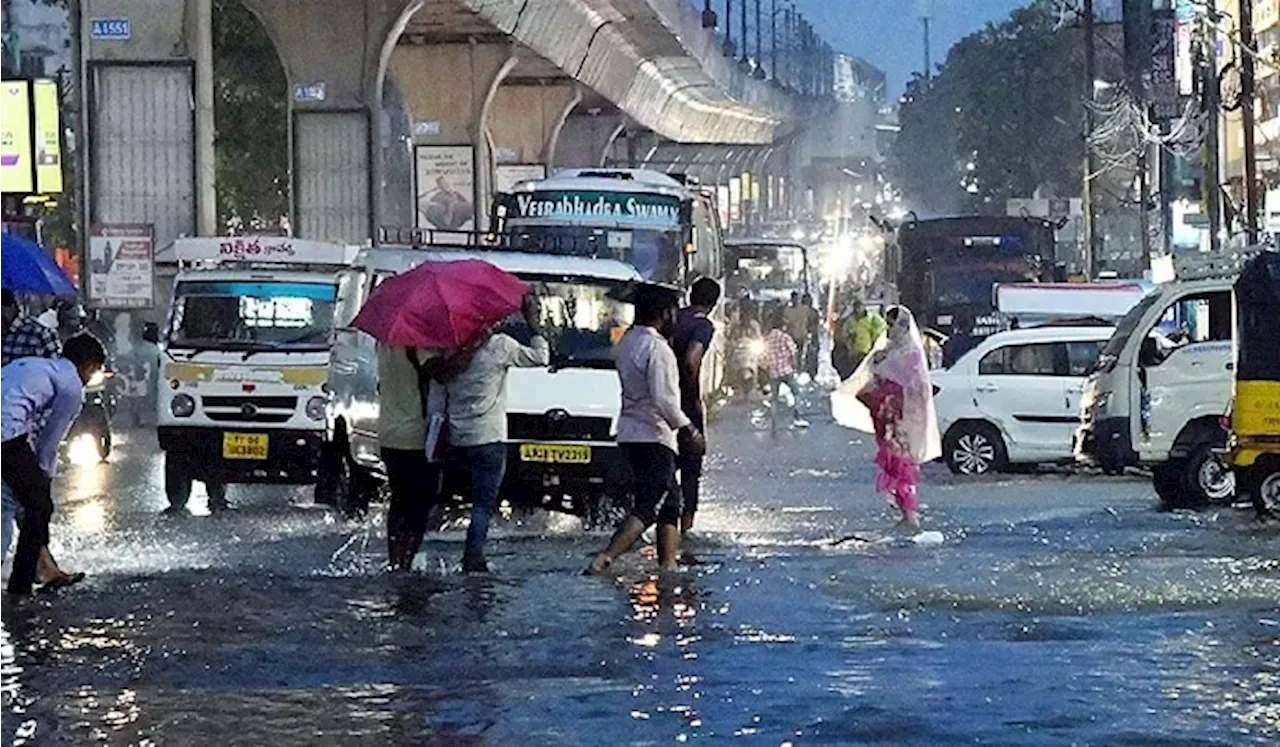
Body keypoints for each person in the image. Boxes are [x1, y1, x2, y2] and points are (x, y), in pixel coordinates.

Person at [587, 285, 705, 575]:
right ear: (665, 314)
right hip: (653, 436)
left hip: (630, 433)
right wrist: (688, 427)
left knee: (671, 502)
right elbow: (663, 398)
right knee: (650, 504)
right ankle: (606, 558)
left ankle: (668, 563)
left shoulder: (628, 342)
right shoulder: (657, 348)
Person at [445, 295, 549, 573]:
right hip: (489, 436)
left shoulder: (450, 349)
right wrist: (533, 324)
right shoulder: (500, 346)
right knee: (482, 504)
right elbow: (541, 357)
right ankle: (473, 556)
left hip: (457, 437)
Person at [0, 333, 107, 595]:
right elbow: (50, 439)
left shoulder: (34, 365)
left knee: (5, 501)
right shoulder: (72, 386)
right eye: (94, 371)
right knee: (39, 505)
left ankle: (41, 567)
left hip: (9, 432)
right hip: (5, 434)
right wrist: (43, 477)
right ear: (89, 365)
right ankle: (22, 584)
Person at [841, 307, 941, 532]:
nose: (889, 330)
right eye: (888, 324)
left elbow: (918, 386)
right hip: (886, 416)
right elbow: (873, 374)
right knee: (892, 462)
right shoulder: (887, 351)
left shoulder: (912, 354)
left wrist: (896, 392)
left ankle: (911, 513)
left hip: (903, 418)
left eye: (893, 325)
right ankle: (905, 512)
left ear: (904, 327)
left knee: (902, 463)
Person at [0, 290, 73, 583]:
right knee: (14, 501)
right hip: (6, 431)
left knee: (29, 502)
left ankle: (39, 566)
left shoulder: (38, 336)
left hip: (26, 433)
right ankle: (37, 569)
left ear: (6, 310)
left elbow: (59, 380)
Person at [377, 343, 445, 572]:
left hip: (388, 432)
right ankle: (406, 560)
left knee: (399, 500)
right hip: (414, 434)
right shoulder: (420, 346)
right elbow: (441, 374)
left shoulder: (385, 344)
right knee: (420, 501)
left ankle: (395, 560)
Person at [671, 278, 721, 535]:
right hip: (684, 403)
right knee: (691, 466)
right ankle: (685, 530)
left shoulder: (672, 318)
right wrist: (692, 400)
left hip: (657, 399)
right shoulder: (703, 326)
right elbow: (692, 361)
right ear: (714, 303)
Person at [764, 311, 808, 429]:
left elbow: (764, 356)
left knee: (774, 397)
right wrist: (794, 366)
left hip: (773, 372)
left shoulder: (768, 338)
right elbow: (793, 352)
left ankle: (773, 421)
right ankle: (797, 417)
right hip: (786, 370)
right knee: (796, 393)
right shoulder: (785, 337)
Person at [842, 300, 886, 374]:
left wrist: (875, 341)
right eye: (856, 308)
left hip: (869, 351)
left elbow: (881, 327)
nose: (858, 310)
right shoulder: (850, 321)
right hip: (855, 352)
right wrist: (850, 346)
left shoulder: (872, 317)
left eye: (860, 307)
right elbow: (845, 334)